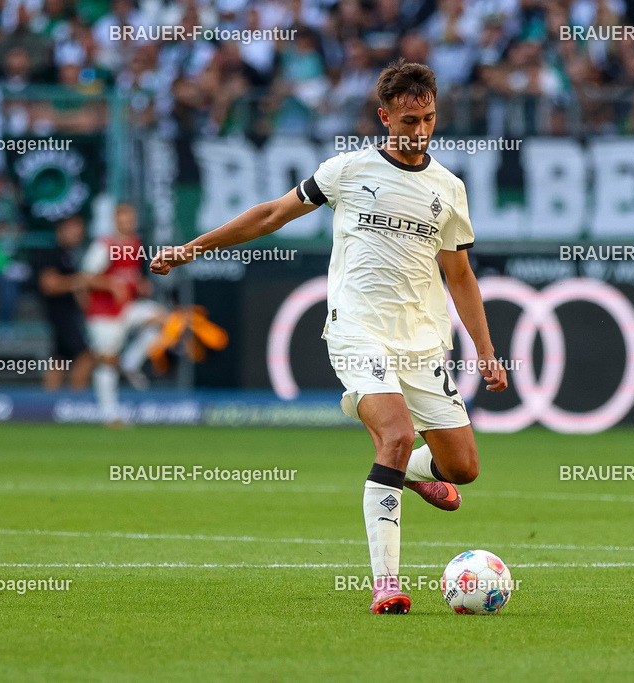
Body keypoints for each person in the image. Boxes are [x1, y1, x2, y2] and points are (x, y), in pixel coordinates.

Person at [150, 60, 508, 614]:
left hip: (421, 342)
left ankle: (414, 473)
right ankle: (386, 583)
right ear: (385, 117)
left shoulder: (448, 189)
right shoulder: (347, 170)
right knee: (394, 435)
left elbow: (459, 274)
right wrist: (190, 249)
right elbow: (272, 214)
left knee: (462, 469)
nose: (419, 132)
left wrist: (486, 351)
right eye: (408, 120)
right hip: (358, 331)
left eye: (429, 119)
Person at [81, 203, 164, 424]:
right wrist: (110, 285)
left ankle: (132, 360)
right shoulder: (104, 245)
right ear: (115, 221)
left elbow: (128, 276)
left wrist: (139, 285)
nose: (128, 223)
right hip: (103, 312)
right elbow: (86, 277)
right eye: (123, 219)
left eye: (131, 219)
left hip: (126, 307)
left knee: (162, 318)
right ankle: (110, 414)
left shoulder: (135, 243)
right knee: (107, 360)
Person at [33, 215, 94, 391]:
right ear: (62, 230)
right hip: (60, 314)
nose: (78, 233)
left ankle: (48, 406)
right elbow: (48, 283)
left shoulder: (72, 255)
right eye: (73, 228)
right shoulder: (53, 253)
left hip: (69, 314)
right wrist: (78, 282)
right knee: (85, 356)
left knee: (59, 360)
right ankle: (74, 405)